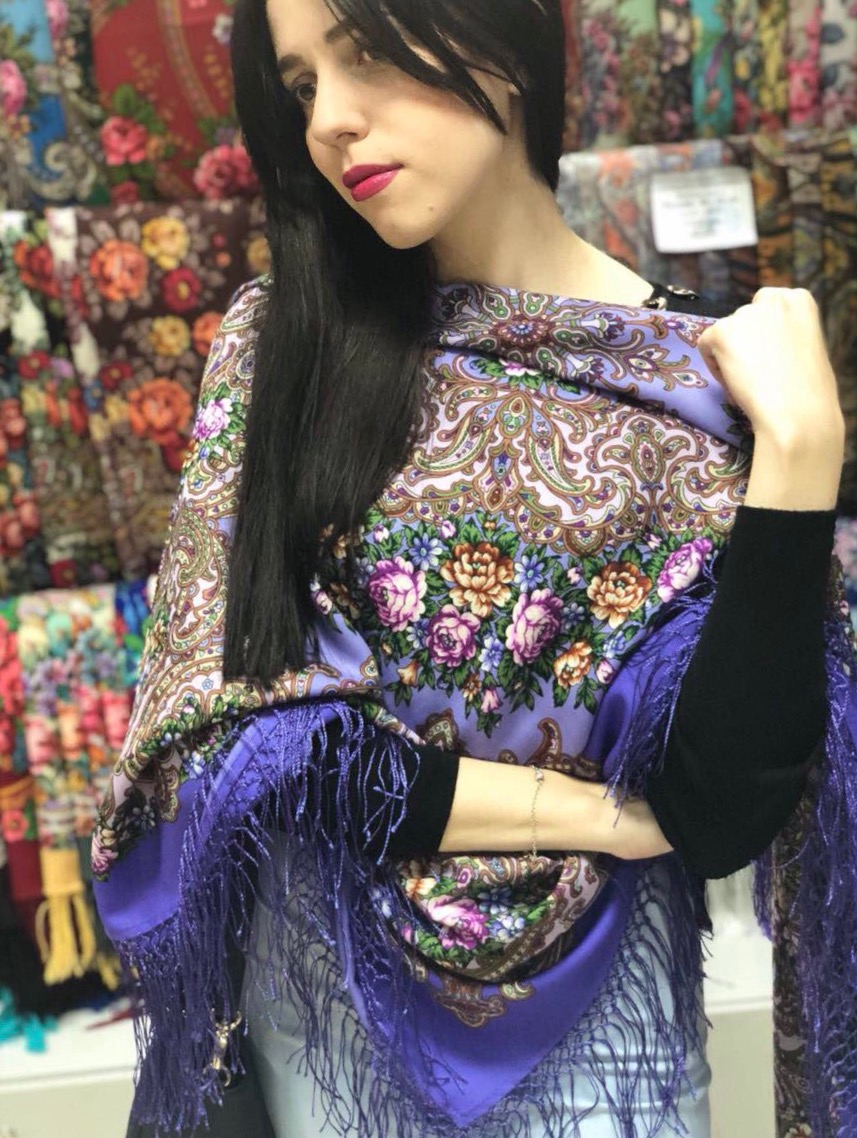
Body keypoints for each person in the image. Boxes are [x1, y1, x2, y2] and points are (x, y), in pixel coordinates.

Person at [94, 2, 857, 1137]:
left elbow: (718, 807)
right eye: (301, 85)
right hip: (329, 1024)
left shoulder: (695, 380)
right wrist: (597, 817)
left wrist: (800, 453)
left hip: (606, 1041)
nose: (329, 121)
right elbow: (238, 742)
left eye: (365, 52)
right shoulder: (286, 348)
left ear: (499, 35)